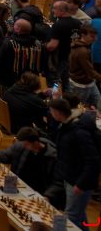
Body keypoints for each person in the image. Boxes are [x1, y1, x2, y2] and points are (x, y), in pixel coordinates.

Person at [48, 97, 99, 227]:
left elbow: (93, 161)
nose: (50, 114)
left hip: (79, 181)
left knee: (70, 217)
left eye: (52, 112)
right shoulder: (66, 125)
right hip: (70, 177)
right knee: (79, 214)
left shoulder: (79, 131)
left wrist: (81, 184)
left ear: (58, 113)